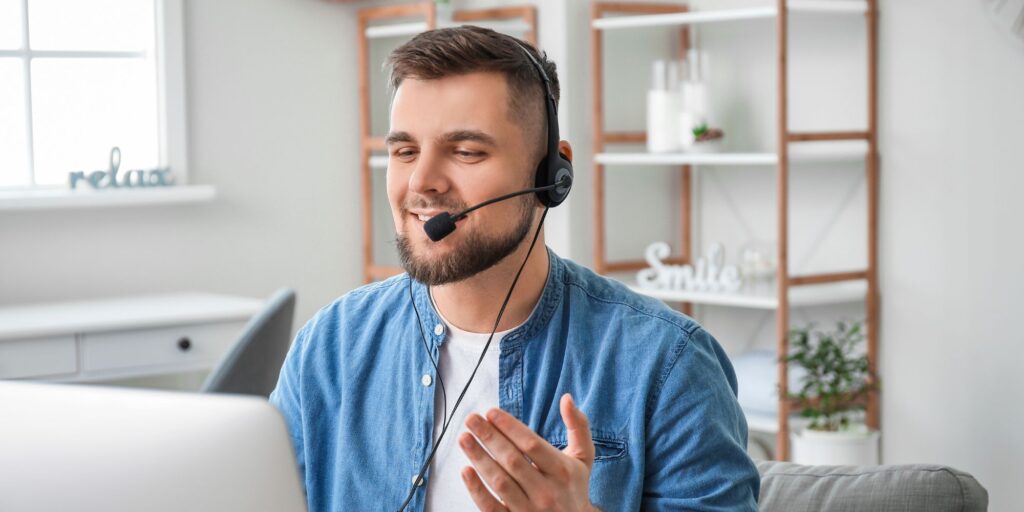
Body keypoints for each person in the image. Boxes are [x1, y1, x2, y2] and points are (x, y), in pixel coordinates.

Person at [270, 26, 760, 512]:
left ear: (551, 174)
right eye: (405, 151)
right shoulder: (331, 347)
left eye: (466, 151)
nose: (421, 182)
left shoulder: (667, 365)